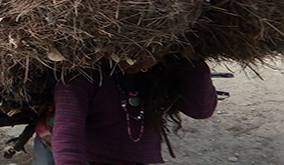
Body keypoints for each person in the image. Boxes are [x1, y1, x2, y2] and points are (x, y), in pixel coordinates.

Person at [34, 52, 218, 165]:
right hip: (74, 156)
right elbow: (68, 131)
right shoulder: (82, 74)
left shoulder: (162, 69)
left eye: (147, 50)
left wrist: (193, 62)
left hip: (129, 159)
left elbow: (200, 110)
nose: (134, 59)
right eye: (128, 50)